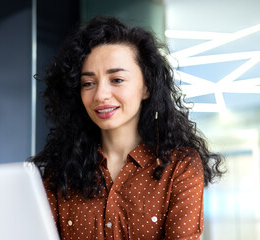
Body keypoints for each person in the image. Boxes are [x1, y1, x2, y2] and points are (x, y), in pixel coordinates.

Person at [32, 16, 224, 240]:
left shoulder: (179, 167)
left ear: (147, 88)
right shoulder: (59, 171)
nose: (101, 94)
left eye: (117, 80)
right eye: (88, 83)